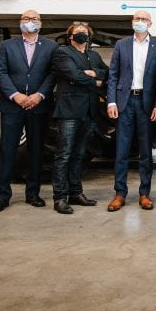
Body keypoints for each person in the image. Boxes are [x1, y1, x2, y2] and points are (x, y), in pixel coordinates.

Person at [0, 9, 58, 213]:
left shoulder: (51, 46)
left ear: (41, 23)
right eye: (26, 19)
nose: (30, 22)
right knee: (7, 151)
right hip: (12, 106)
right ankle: (2, 196)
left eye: (34, 19)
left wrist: (40, 95)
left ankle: (33, 194)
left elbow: (53, 74)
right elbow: (0, 72)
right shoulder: (8, 45)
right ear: (20, 23)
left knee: (36, 151)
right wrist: (15, 95)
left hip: (39, 106)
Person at [106, 10, 156, 212]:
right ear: (132, 22)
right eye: (136, 19)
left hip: (147, 104)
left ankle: (144, 193)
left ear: (150, 23)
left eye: (143, 19)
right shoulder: (121, 45)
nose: (139, 22)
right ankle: (120, 193)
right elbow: (113, 75)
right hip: (124, 102)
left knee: (145, 152)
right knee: (121, 150)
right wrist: (111, 102)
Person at [50, 22, 108, 215]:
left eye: (84, 33)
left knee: (79, 154)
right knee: (64, 154)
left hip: (89, 111)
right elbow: (72, 74)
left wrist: (95, 73)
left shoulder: (94, 55)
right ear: (70, 36)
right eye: (78, 33)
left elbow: (105, 72)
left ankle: (76, 192)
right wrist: (93, 78)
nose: (82, 35)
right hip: (69, 111)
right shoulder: (63, 53)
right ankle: (60, 197)